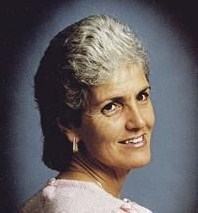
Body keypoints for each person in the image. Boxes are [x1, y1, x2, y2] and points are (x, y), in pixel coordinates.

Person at [20, 15, 155, 213]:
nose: (139, 121)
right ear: (69, 125)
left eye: (142, 96)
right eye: (111, 106)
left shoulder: (45, 202)